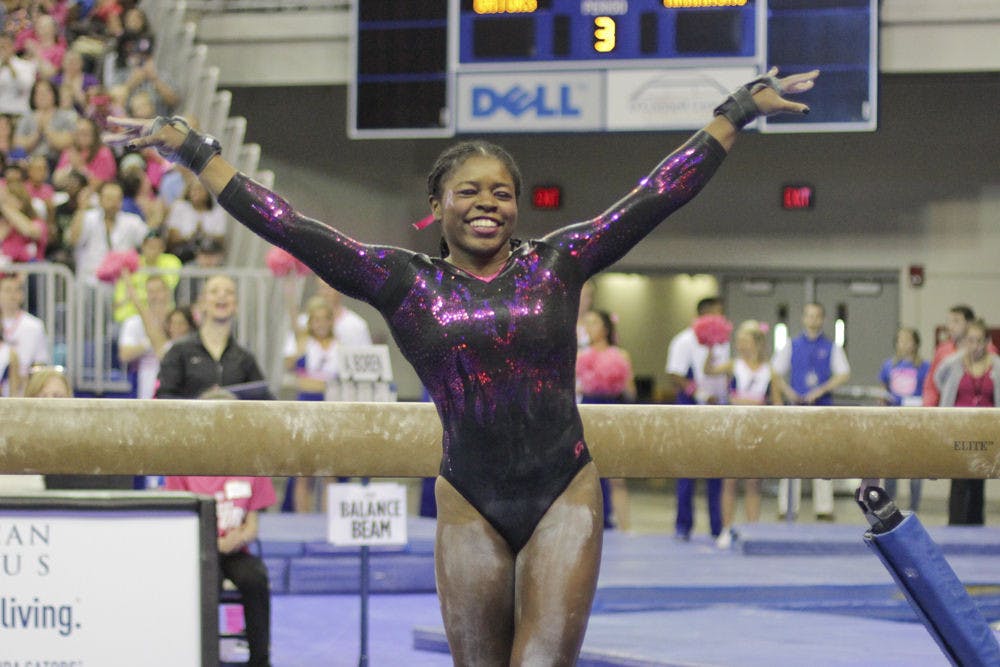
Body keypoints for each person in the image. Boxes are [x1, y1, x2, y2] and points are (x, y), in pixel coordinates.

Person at [108, 67, 818, 664]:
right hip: (468, 500)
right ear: (436, 204)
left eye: (502, 192)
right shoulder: (402, 281)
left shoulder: (559, 262)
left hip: (561, 489)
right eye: (470, 191)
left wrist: (736, 111)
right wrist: (200, 154)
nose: (489, 204)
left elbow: (655, 196)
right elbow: (289, 225)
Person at [164, 388, 275, 667]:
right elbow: (179, 521)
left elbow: (253, 526)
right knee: (205, 584)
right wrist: (211, 544)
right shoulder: (184, 464)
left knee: (256, 578)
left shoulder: (251, 462)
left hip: (235, 549)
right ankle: (204, 657)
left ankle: (260, 659)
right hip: (199, 551)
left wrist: (237, 538)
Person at [771, 302, 850, 521]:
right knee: (791, 459)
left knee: (822, 460)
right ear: (803, 319)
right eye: (809, 316)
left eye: (817, 316)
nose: (813, 320)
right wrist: (788, 392)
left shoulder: (832, 347)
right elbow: (774, 372)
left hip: (821, 409)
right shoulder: (791, 345)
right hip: (795, 409)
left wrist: (821, 390)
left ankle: (824, 508)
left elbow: (844, 373)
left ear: (822, 319)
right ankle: (787, 506)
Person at [664, 296, 728, 541]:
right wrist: (698, 393)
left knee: (717, 470)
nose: (720, 318)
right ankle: (683, 525)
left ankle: (717, 526)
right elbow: (674, 375)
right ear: (703, 315)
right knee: (687, 468)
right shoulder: (684, 340)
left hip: (718, 408)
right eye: (716, 313)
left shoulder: (723, 343)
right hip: (690, 406)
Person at [704, 319, 773, 548]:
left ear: (757, 343)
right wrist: (712, 348)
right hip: (735, 426)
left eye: (745, 340)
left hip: (757, 428)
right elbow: (709, 370)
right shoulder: (734, 365)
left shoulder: (769, 371)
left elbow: (780, 407)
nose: (741, 345)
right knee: (730, 480)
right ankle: (726, 529)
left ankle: (753, 529)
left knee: (753, 483)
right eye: (739, 340)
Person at [156, 274, 273, 400]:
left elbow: (265, 401)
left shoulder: (244, 358)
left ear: (236, 305)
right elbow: (164, 397)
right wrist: (201, 403)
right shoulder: (179, 351)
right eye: (214, 291)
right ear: (202, 303)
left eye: (229, 292)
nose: (221, 295)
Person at [935, 318, 999, 526]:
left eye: (980, 341)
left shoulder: (996, 365)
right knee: (960, 480)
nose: (976, 346)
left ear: (987, 341)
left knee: (979, 480)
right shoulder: (955, 363)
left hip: (986, 430)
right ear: (965, 342)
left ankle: (976, 528)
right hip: (959, 429)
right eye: (971, 341)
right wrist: (959, 357)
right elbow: (937, 378)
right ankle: (955, 527)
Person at [576, 308, 633, 530]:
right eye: (586, 323)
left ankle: (627, 529)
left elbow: (631, 392)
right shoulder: (580, 355)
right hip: (588, 408)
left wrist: (616, 383)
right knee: (588, 475)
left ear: (606, 328)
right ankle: (589, 528)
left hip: (613, 410)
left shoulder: (621, 355)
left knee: (617, 476)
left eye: (594, 323)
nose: (589, 328)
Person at [879, 326, 929, 511]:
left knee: (915, 469)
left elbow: (929, 393)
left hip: (915, 422)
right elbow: (882, 392)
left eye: (908, 340)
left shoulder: (925, 367)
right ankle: (889, 507)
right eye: (900, 340)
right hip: (894, 422)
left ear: (916, 343)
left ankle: (914, 507)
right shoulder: (889, 366)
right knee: (891, 468)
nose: (904, 344)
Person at [67, 178, 147, 284]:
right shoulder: (87, 217)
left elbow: (150, 242)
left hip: (121, 283)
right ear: (100, 199)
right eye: (109, 198)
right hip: (90, 280)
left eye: (117, 199)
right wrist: (81, 208)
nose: (113, 203)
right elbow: (73, 240)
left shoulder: (132, 221)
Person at [922, 304, 996, 408]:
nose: (950, 326)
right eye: (949, 321)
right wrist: (928, 409)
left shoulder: (990, 352)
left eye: (956, 321)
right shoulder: (942, 351)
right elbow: (932, 384)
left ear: (969, 324)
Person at [118, 273, 173, 399]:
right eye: (151, 291)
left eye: (158, 291)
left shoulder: (178, 320)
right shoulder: (133, 322)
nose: (155, 296)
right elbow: (124, 355)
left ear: (168, 292)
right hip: (147, 375)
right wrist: (148, 343)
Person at [0, 272, 49, 383]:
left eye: (17, 290)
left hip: (24, 388)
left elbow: (40, 363)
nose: (12, 295)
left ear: (22, 295)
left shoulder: (34, 325)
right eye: (7, 290)